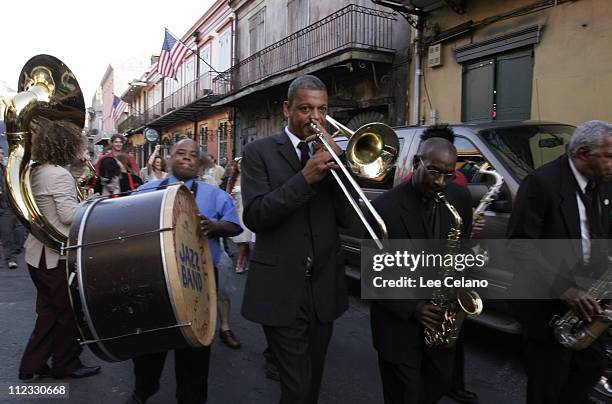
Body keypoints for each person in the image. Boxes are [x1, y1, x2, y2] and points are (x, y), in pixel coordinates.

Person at [241, 74, 350, 403]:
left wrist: (341, 166)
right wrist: (305, 178)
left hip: (323, 288)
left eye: (322, 110)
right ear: (287, 110)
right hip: (279, 286)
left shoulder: (332, 155)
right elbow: (256, 215)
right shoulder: (258, 152)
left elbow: (347, 219)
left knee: (312, 382)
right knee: (297, 386)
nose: (315, 118)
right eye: (305, 109)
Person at [125, 138, 242, 404]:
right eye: (180, 153)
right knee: (149, 346)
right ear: (168, 160)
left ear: (200, 165)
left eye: (192, 155)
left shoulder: (215, 195)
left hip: (199, 282)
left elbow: (234, 226)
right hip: (155, 280)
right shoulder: (145, 191)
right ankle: (143, 390)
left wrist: (214, 226)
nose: (187, 157)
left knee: (195, 350)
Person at [507, 120, 612, 404]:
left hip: (592, 302)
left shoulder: (602, 185)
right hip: (548, 307)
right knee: (547, 386)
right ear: (583, 153)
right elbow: (519, 246)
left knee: (590, 369)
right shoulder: (542, 183)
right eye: (609, 156)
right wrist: (565, 289)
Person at [370, 136, 472, 403]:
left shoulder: (459, 198)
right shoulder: (384, 208)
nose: (440, 182)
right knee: (404, 396)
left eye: (448, 175)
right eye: (434, 172)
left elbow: (461, 248)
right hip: (398, 328)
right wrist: (413, 307)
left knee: (437, 385)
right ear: (417, 163)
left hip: (440, 322)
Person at [18, 117, 101, 380]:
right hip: (55, 257)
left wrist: (77, 176)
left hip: (37, 255)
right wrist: (92, 204)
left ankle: (32, 365)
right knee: (68, 314)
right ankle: (66, 364)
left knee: (48, 312)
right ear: (66, 144)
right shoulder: (58, 175)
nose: (81, 148)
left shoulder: (39, 171)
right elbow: (67, 215)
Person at [227, 157, 253, 274]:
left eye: (242, 164)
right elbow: (226, 195)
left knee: (243, 239)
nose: (240, 166)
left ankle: (240, 262)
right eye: (238, 164)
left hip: (246, 210)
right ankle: (246, 260)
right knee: (239, 240)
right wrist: (230, 196)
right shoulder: (233, 179)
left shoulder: (251, 178)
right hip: (235, 211)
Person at [0, 147, 21, 269]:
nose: (1, 155)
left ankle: (11, 259)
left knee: (8, 235)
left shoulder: (5, 170)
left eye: (2, 153)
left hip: (5, 207)